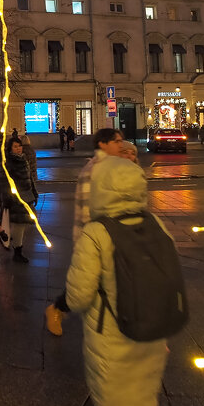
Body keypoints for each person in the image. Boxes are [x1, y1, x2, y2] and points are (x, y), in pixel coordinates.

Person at [64, 156, 170, 406]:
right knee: (135, 393)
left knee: (116, 403)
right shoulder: (156, 223)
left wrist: (62, 305)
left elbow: (78, 297)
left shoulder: (97, 232)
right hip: (153, 331)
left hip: (111, 333)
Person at [46, 128, 124, 336]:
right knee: (85, 287)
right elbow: (90, 212)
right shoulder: (94, 171)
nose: (121, 145)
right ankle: (58, 308)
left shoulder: (113, 168)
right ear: (103, 144)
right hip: (94, 240)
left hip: (111, 238)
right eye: (116, 141)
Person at [0, 138, 38, 263]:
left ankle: (11, 242)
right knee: (19, 225)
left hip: (27, 196)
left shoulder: (23, 159)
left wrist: (34, 192)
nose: (18, 148)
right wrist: (8, 198)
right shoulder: (8, 162)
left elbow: (30, 178)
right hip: (16, 198)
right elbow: (4, 181)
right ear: (10, 148)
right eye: (15, 146)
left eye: (19, 146)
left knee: (22, 224)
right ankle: (17, 251)